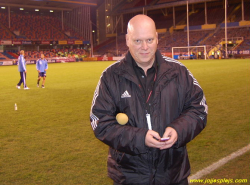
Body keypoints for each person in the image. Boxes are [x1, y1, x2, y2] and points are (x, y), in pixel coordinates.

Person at [90, 14, 208, 185]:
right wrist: (140, 138)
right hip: (129, 177)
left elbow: (199, 109)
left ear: (157, 38)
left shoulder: (179, 72)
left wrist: (178, 130)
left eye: (149, 40)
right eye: (138, 41)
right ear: (127, 40)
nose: (144, 47)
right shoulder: (111, 77)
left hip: (172, 175)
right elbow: (100, 122)